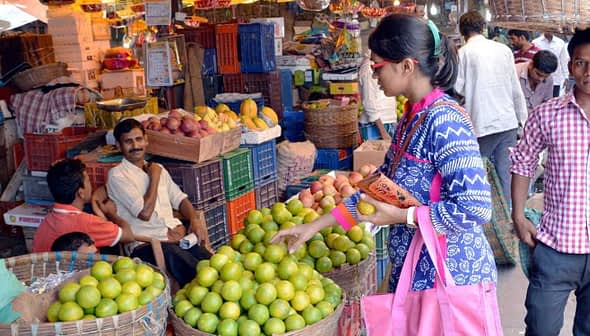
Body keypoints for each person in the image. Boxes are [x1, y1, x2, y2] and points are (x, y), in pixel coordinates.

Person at [272, 14, 497, 299]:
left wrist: (404, 216)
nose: (373, 76)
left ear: (406, 66)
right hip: (415, 274)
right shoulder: (410, 119)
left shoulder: (446, 122)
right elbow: (376, 192)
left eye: (377, 66)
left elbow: (475, 208)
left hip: (452, 280)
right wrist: (312, 227)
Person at [510, 28, 590, 335]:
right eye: (581, 63)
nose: (588, 72)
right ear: (570, 66)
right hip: (555, 247)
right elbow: (523, 159)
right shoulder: (548, 115)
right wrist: (518, 215)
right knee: (541, 328)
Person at [107, 118, 212, 286]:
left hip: (175, 239)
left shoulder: (158, 168)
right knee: (200, 278)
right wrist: (154, 178)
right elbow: (145, 213)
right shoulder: (118, 175)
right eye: (128, 141)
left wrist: (194, 218)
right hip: (146, 245)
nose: (135, 146)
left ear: (146, 140)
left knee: (211, 264)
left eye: (139, 139)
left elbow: (180, 199)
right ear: (119, 146)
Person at [455, 11, 527, 203]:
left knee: (476, 175)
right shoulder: (503, 50)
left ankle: (481, 217)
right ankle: (508, 219)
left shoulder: (464, 53)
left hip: (481, 124)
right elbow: (515, 87)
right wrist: (523, 120)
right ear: (482, 28)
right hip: (507, 122)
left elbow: (458, 88)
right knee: (505, 175)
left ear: (463, 32)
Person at [31, 159, 134, 253]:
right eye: (88, 181)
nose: (91, 184)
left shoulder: (46, 221)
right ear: (81, 193)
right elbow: (128, 235)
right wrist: (111, 213)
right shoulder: (88, 222)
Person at [358, 50, 398, 139]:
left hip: (386, 122)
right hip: (375, 126)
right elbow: (369, 103)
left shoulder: (383, 64)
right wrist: (383, 133)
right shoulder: (368, 69)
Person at [533, 32, 570, 97]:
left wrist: (566, 77)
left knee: (554, 100)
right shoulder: (536, 42)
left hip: (556, 79)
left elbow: (563, 61)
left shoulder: (560, 42)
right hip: (540, 78)